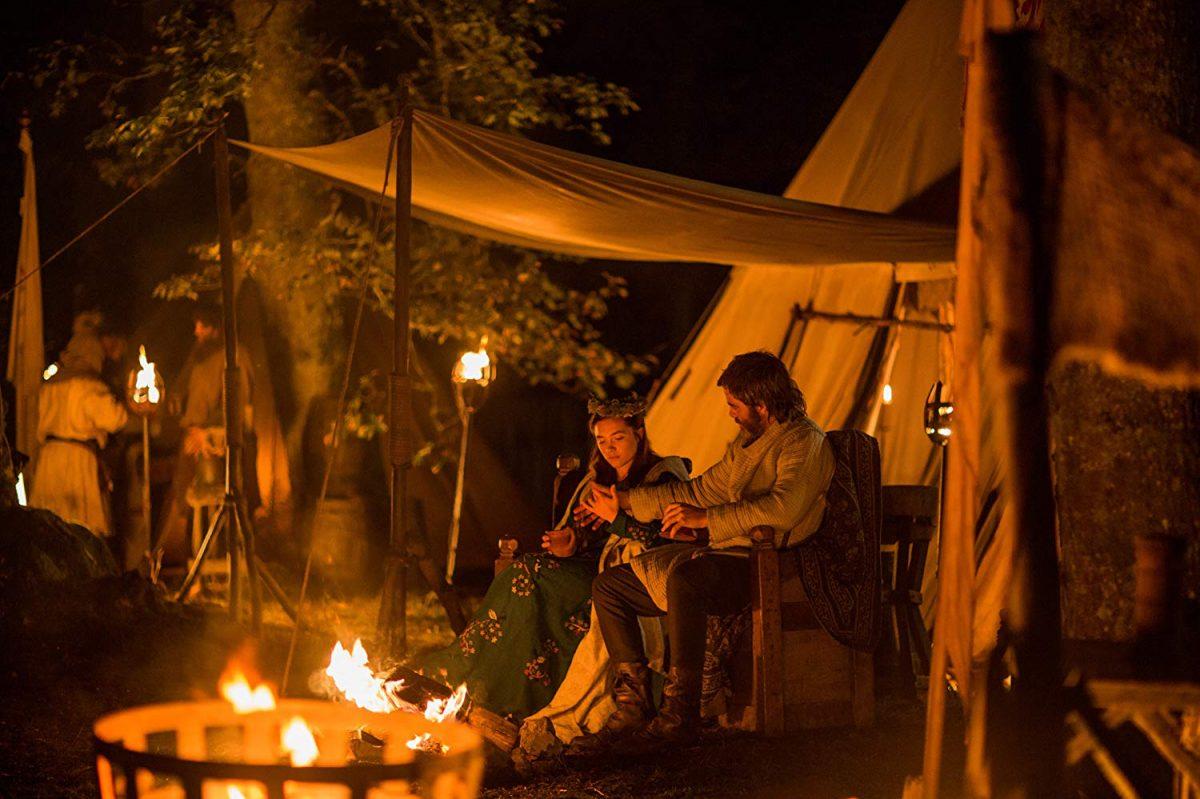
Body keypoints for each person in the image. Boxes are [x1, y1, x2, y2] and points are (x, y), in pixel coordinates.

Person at [569, 351, 835, 755]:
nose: (730, 413)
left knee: (685, 581)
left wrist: (707, 520)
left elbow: (782, 508)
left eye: (734, 404)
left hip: (765, 560)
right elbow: (697, 490)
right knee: (610, 587)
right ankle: (633, 705)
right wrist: (623, 502)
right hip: (726, 552)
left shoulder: (803, 441)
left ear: (761, 404)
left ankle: (680, 713)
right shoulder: (748, 443)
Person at [410, 395, 690, 722]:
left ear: (638, 434)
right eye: (602, 441)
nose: (610, 449)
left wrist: (616, 520)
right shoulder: (597, 479)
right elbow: (587, 535)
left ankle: (498, 687)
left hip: (632, 577)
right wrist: (571, 543)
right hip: (591, 567)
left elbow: (664, 540)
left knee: (531, 573)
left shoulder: (662, 477)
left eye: (618, 438)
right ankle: (471, 672)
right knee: (526, 571)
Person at [30, 312, 130, 536]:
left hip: (49, 461)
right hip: (77, 461)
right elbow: (115, 419)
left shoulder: (50, 386)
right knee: (81, 527)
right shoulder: (89, 384)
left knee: (50, 528)